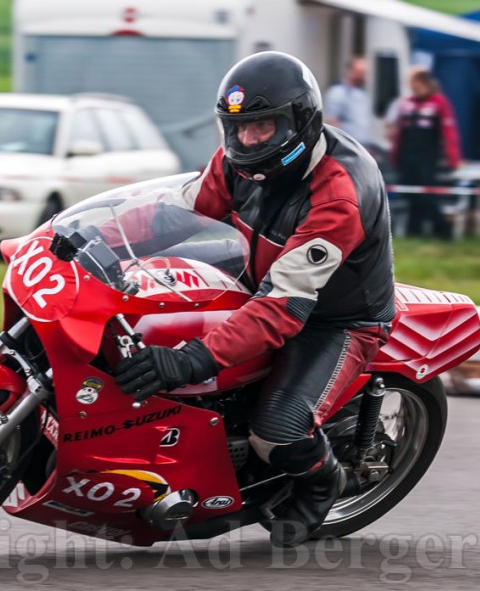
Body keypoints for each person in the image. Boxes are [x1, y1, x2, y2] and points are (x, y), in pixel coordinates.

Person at [115, 52, 396, 548]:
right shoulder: (234, 162)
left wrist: (190, 361)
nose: (248, 140)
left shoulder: (338, 195)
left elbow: (285, 306)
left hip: (334, 319)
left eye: (263, 126)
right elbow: (175, 215)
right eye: (238, 127)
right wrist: (103, 241)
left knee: (277, 433)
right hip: (257, 279)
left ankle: (320, 481)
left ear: (300, 121)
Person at [390, 68, 462, 239]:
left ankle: (442, 229)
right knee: (411, 195)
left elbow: (449, 131)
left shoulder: (439, 102)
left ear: (421, 82)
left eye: (412, 81)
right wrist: (395, 156)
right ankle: (414, 231)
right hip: (407, 158)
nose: (410, 85)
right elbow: (399, 132)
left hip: (428, 158)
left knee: (428, 196)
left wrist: (453, 158)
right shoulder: (407, 103)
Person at [324, 56, 372, 147]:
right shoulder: (338, 93)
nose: (363, 76)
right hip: (347, 146)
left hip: (362, 146)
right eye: (360, 72)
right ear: (349, 71)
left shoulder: (362, 94)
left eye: (364, 73)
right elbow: (332, 121)